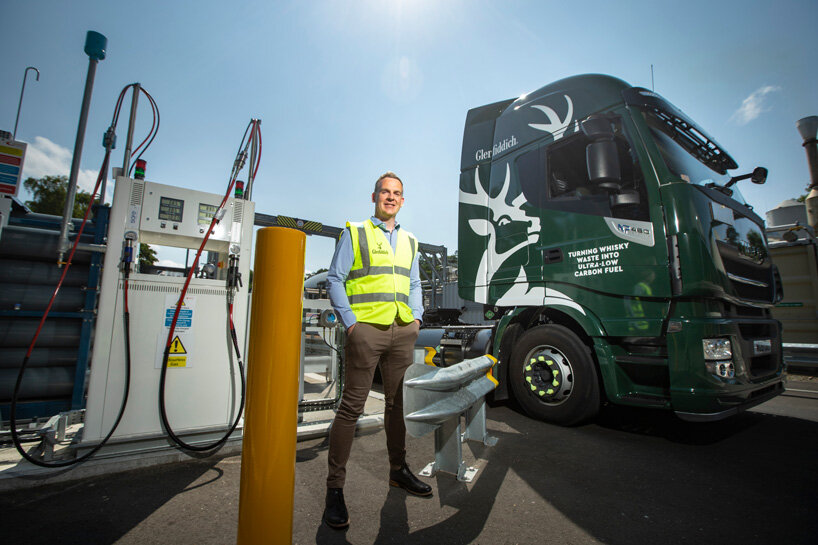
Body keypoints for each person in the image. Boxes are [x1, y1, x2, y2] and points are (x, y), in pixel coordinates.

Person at [322, 171, 431, 530]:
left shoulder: (410, 240)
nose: (390, 197)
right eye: (385, 192)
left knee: (397, 405)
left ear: (403, 200)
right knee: (352, 407)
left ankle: (398, 471)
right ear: (374, 197)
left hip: (403, 330)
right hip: (366, 330)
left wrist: (416, 318)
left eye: (396, 193)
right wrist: (351, 324)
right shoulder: (355, 232)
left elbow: (415, 282)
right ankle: (334, 489)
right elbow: (335, 278)